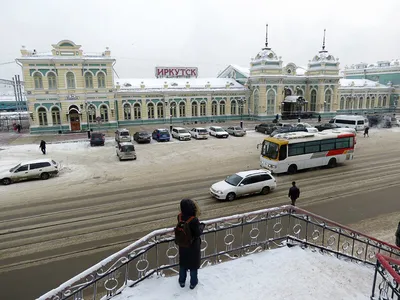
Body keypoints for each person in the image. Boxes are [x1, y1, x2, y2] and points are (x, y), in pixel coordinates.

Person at [176, 199, 204, 290]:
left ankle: (182, 281)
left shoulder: (179, 217)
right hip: (193, 246)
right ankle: (193, 283)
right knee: (193, 265)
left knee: (183, 264)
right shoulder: (194, 220)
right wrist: (202, 226)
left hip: (182, 245)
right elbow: (197, 233)